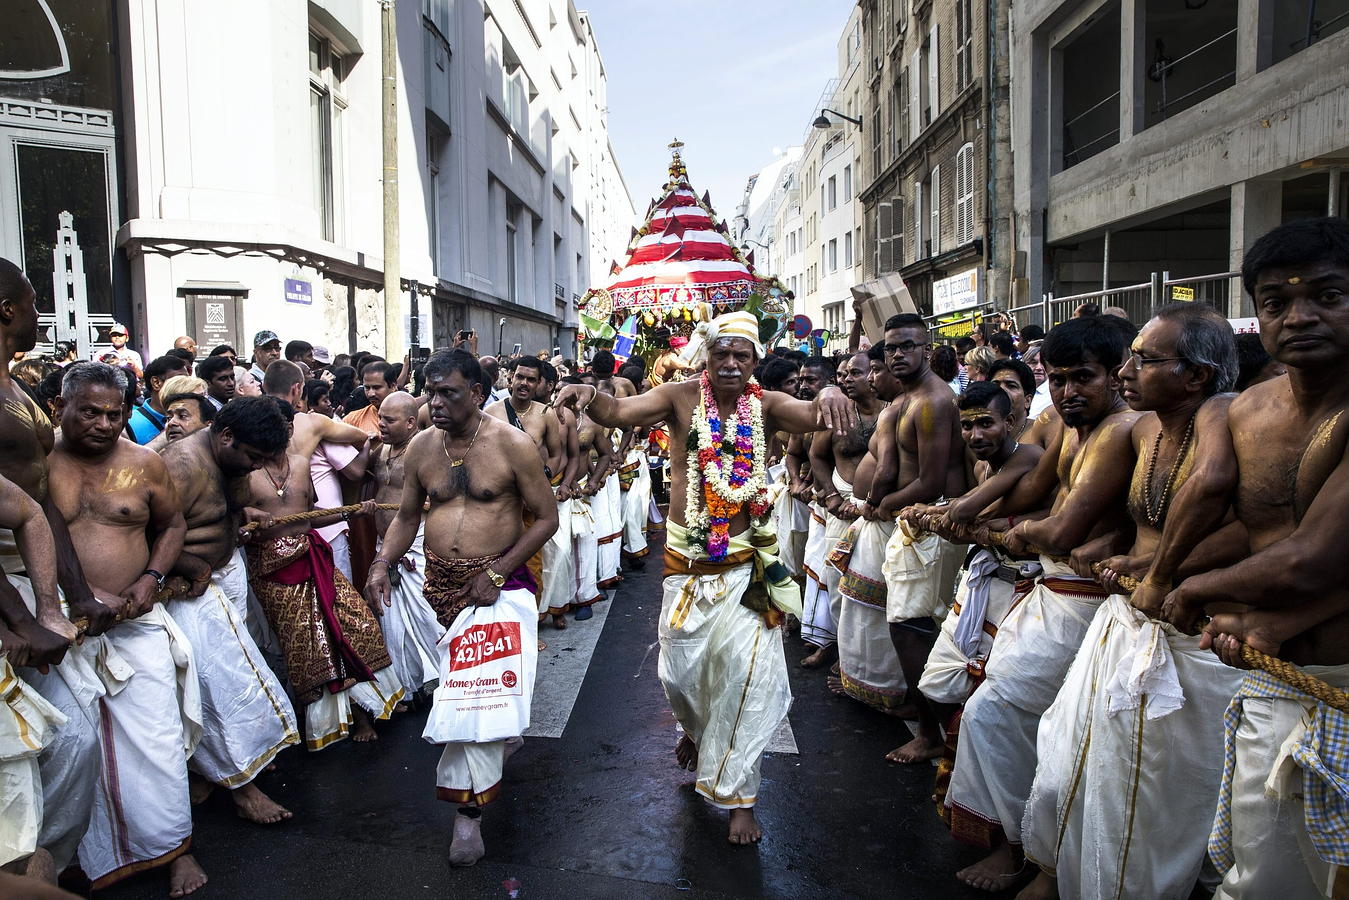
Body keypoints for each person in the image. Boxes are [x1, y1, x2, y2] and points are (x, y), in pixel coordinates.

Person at [554, 310, 850, 845]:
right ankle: (693, 729)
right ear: (706, 356)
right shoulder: (678, 396)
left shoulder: (769, 406)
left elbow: (813, 416)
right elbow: (620, 410)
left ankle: (740, 798)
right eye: (722, 353)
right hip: (687, 563)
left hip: (747, 564)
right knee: (680, 676)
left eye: (743, 354)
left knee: (748, 679)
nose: (731, 363)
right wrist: (587, 395)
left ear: (756, 361)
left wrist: (829, 395)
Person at [1127, 218, 1349, 899]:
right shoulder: (1248, 410)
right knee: (1257, 881)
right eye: (1275, 302)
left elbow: (1311, 559)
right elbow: (1245, 526)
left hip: (1337, 685)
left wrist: (1185, 589)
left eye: (1327, 295)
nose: (1298, 316)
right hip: (1271, 681)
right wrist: (1203, 589)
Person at [1014, 303, 1246, 900]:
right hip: (1124, 618)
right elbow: (1132, 516)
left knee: (1144, 797)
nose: (1126, 371)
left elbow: (1244, 524)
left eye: (1143, 360)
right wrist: (1130, 554)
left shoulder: (1223, 418)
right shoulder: (1148, 428)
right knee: (1070, 757)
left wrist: (1162, 574)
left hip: (1182, 639)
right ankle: (1055, 870)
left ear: (1195, 375)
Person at [946, 316, 1140, 891]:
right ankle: (1029, 851)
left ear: (1116, 376)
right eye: (1057, 379)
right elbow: (1035, 497)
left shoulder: (1123, 429)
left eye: (1084, 377)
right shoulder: (1068, 430)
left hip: (1083, 603)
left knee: (1041, 736)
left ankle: (1038, 861)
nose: (1068, 391)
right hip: (1054, 595)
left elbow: (1063, 529)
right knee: (1022, 728)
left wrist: (1016, 532)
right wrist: (1007, 524)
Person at [367, 350, 557, 866]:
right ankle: (498, 738)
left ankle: (467, 817)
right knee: (464, 693)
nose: (438, 402)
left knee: (470, 701)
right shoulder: (422, 447)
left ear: (477, 393)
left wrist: (495, 574)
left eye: (449, 392)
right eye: (432, 392)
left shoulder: (512, 445)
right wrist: (382, 563)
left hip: (498, 585)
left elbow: (545, 519)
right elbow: (407, 516)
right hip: (440, 588)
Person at [45, 362, 208, 896]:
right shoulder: (37, 463)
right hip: (62, 630)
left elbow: (173, 525)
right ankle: (68, 861)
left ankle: (175, 848)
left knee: (157, 739)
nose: (103, 424)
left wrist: (150, 579)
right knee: (70, 746)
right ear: (59, 408)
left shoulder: (145, 463)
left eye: (114, 414)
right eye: (89, 412)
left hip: (137, 625)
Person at [905, 382, 1044, 820]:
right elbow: (965, 506)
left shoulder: (1026, 457)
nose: (975, 435)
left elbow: (965, 512)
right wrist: (943, 511)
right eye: (967, 426)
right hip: (986, 584)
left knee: (991, 709)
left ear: (1011, 422)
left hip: (1020, 593)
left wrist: (941, 513)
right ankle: (960, 773)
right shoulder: (985, 466)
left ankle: (1004, 811)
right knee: (939, 682)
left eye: (985, 423)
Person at [159, 397, 300, 824]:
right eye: (253, 457)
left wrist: (242, 515)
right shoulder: (179, 465)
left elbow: (220, 510)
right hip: (187, 589)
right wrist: (190, 565)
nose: (255, 467)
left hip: (225, 574)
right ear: (225, 436)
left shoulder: (235, 461)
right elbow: (148, 533)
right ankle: (242, 789)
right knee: (210, 687)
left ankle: (215, 768)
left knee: (236, 677)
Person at [244, 404, 401, 749]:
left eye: (284, 429)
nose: (281, 436)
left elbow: (308, 518)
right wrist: (248, 521)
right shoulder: (244, 475)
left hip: (315, 556)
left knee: (354, 622)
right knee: (308, 641)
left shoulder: (301, 464)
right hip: (273, 570)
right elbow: (235, 524)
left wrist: (353, 512)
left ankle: (362, 711)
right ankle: (319, 722)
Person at [854, 314, 967, 764]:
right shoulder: (908, 397)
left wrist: (882, 504)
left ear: (927, 348)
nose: (897, 355)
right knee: (910, 626)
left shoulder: (934, 400)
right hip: (914, 528)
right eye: (890, 348)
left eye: (907, 346)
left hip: (932, 529)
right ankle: (929, 714)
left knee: (912, 629)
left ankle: (931, 732)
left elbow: (931, 481)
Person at [812, 350, 900, 712]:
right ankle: (847, 661)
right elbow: (816, 456)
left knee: (884, 599)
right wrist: (831, 497)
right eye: (843, 374)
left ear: (874, 376)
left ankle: (881, 674)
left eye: (856, 372)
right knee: (840, 594)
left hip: (880, 514)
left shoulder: (892, 411)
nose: (847, 379)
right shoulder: (835, 413)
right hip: (841, 512)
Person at [369, 391, 444, 698]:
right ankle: (406, 688)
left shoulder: (426, 450)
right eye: (380, 418)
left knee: (428, 617)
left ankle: (451, 678)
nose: (382, 424)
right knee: (391, 621)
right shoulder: (379, 449)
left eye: (389, 419)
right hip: (384, 548)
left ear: (411, 422)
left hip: (416, 546)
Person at [127, 354, 190, 444]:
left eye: (187, 380)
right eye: (179, 381)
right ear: (156, 383)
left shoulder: (191, 418)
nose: (187, 386)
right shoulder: (130, 423)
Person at [343, 359, 394, 435]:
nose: (371, 394)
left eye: (377, 387)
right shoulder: (353, 419)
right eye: (367, 388)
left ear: (393, 386)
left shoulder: (408, 416)